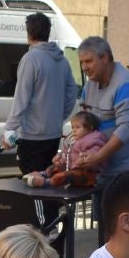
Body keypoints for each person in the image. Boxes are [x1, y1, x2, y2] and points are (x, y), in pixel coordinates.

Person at [69, 37, 129, 240]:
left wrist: (98, 157)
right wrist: (71, 153)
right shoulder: (89, 86)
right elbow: (86, 125)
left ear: (105, 57)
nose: (84, 68)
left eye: (88, 61)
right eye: (81, 63)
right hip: (106, 170)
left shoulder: (127, 84)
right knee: (108, 231)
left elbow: (127, 128)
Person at [8, 12, 79, 178]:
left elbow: (21, 97)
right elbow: (72, 91)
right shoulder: (62, 60)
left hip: (32, 135)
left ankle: (41, 205)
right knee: (48, 178)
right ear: (48, 32)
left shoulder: (31, 59)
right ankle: (50, 205)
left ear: (29, 33)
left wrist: (10, 128)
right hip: (53, 133)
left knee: (33, 181)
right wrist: (58, 115)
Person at [23, 109, 104, 190]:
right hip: (71, 167)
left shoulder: (94, 139)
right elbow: (67, 153)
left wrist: (84, 160)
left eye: (78, 127)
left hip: (86, 174)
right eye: (73, 127)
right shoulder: (75, 140)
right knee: (55, 167)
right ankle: (44, 174)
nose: (74, 130)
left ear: (90, 128)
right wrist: (60, 159)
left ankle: (46, 182)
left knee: (65, 176)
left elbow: (95, 153)